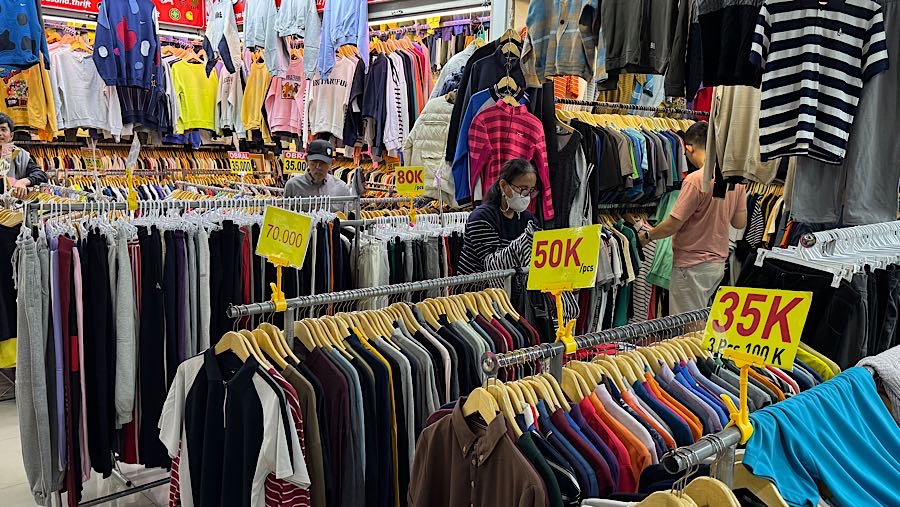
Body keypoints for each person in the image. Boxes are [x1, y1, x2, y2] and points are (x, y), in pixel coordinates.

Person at [638, 122, 747, 314]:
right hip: (717, 263)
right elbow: (739, 223)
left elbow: (673, 224)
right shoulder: (735, 179)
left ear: (688, 148)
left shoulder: (696, 180)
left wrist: (647, 236)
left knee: (687, 326)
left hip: (692, 264)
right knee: (701, 319)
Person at [458, 158, 578, 324]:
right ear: (503, 186)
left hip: (513, 301)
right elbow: (492, 266)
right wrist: (526, 240)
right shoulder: (481, 218)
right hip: (477, 301)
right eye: (522, 189)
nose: (526, 196)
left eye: (530, 191)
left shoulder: (529, 219)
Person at [284, 139, 354, 199]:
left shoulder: (342, 189)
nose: (318, 166)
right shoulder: (292, 186)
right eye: (314, 161)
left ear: (332, 163)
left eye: (323, 163)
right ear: (306, 160)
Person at [0, 113, 48, 199]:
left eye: (3, 129)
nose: (0, 133)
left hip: (12, 208)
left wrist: (23, 182)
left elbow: (41, 175)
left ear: (11, 136)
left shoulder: (20, 155)